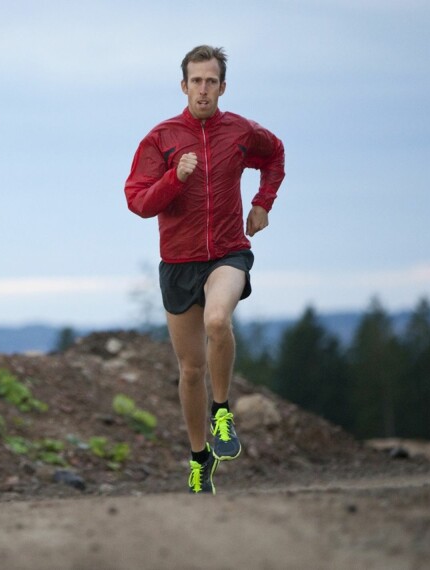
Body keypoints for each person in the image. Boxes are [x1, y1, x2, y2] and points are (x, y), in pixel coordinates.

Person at [124, 45, 285, 494]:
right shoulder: (162, 139)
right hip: (178, 263)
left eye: (211, 81)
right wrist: (175, 177)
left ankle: (222, 411)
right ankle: (200, 459)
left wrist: (261, 203)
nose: (203, 89)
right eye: (196, 81)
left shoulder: (239, 131)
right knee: (190, 369)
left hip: (228, 253)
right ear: (183, 86)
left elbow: (275, 155)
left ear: (222, 87)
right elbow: (137, 201)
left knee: (218, 319)